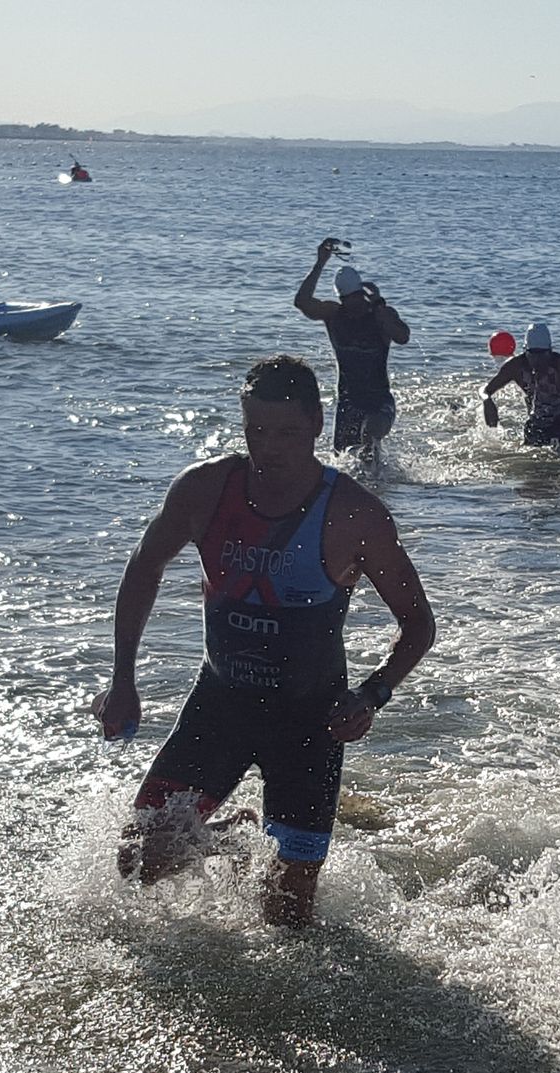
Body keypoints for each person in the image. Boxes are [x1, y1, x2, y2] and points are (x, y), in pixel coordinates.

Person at [93, 355, 435, 926]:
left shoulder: (355, 513)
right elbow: (144, 565)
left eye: (288, 433)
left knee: (287, 919)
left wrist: (371, 696)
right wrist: (122, 678)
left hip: (310, 724)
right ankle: (232, 841)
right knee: (135, 860)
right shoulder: (204, 489)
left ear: (318, 425)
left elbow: (418, 625)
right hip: (220, 706)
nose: (269, 447)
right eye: (256, 430)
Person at [293, 237, 409, 463]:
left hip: (380, 402)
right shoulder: (334, 315)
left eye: (356, 298)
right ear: (341, 299)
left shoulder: (379, 315)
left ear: (362, 294)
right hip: (348, 403)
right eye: (347, 300)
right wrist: (320, 263)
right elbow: (302, 302)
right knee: (343, 462)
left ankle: (380, 486)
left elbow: (403, 337)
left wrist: (379, 305)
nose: (353, 305)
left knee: (370, 435)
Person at [483, 323, 560, 449]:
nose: (538, 360)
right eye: (533, 355)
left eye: (542, 354)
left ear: (550, 351)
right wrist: (487, 401)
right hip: (535, 426)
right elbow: (486, 391)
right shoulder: (515, 367)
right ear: (525, 351)